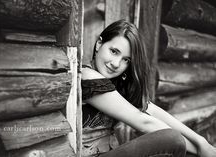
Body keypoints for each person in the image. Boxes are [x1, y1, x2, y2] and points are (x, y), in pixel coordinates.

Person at [81, 19, 216, 157]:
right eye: (114, 51)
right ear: (99, 44)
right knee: (173, 140)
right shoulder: (86, 76)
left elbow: (151, 110)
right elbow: (144, 121)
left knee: (180, 144)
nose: (116, 64)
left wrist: (201, 143)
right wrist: (199, 150)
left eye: (126, 60)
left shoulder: (112, 83)